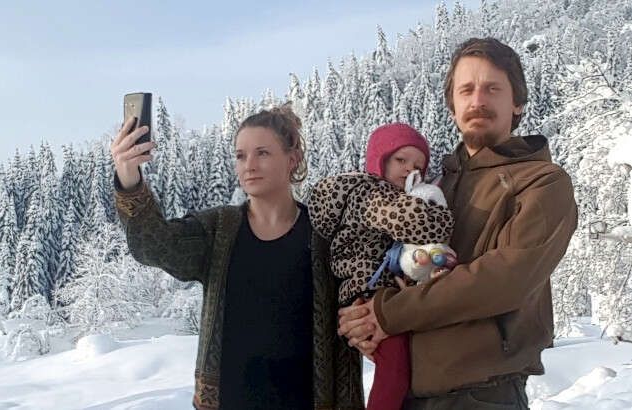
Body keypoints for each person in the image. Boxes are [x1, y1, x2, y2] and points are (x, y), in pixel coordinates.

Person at [337, 37, 578, 409]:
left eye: (492, 88)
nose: (477, 100)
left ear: (517, 102)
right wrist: (363, 319)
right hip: (408, 394)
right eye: (466, 90)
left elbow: (503, 279)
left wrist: (389, 313)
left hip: (481, 396)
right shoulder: (433, 188)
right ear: (452, 107)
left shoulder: (541, 183)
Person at [111, 104, 364, 410]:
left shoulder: (326, 234)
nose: (249, 165)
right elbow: (153, 245)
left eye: (263, 153)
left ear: (293, 159)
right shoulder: (219, 230)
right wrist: (129, 179)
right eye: (241, 155)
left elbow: (362, 300)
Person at [308, 123, 455, 410]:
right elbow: (409, 220)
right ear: (380, 159)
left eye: (418, 167)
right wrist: (442, 219)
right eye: (401, 160)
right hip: (367, 289)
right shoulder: (369, 194)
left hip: (380, 290)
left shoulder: (385, 196)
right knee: (395, 371)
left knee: (400, 367)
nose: (409, 170)